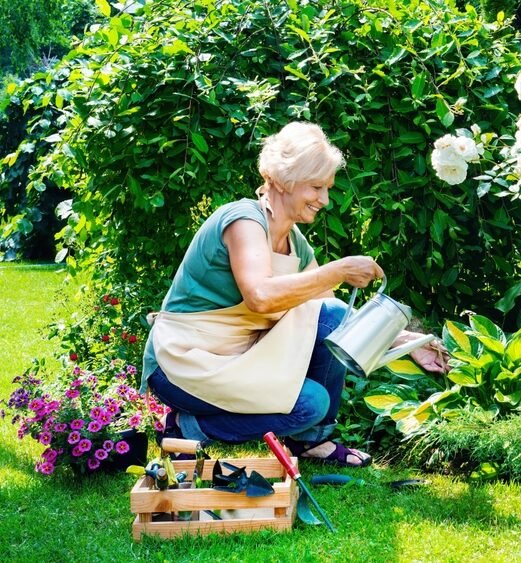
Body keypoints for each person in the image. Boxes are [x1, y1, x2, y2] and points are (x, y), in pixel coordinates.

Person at [141, 121, 448, 467]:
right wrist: (338, 270)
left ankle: (314, 442)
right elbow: (259, 296)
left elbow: (336, 318)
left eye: (327, 188)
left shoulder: (295, 244)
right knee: (309, 404)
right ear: (285, 180)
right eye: (316, 187)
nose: (325, 200)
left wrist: (409, 342)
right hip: (184, 363)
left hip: (238, 360)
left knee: (329, 316)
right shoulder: (242, 221)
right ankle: (187, 427)